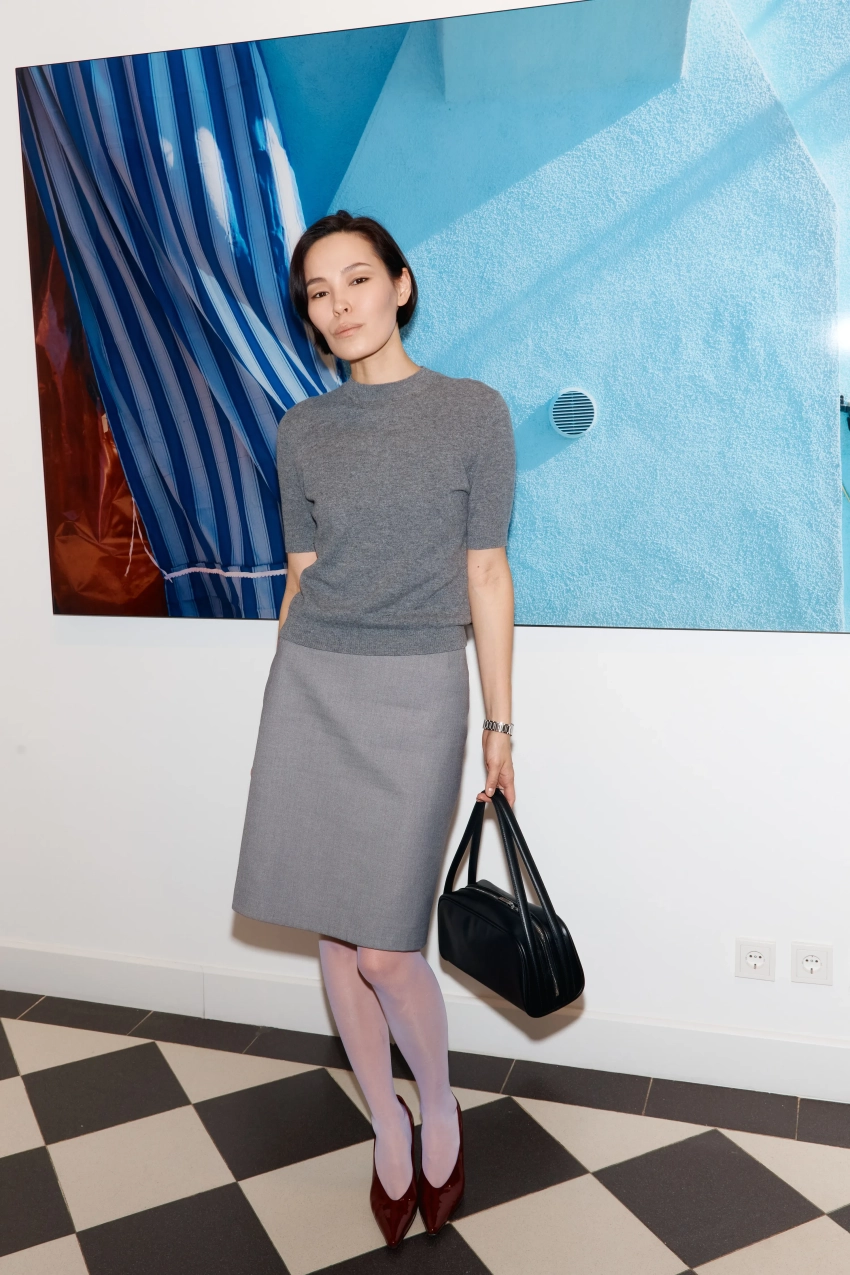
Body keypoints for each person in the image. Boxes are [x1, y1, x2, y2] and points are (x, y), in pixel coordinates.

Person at [231, 210, 516, 1247]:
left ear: (400, 285)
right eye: (319, 291)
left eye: (357, 279)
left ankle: (436, 1102)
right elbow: (300, 576)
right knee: (334, 934)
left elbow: (487, 572)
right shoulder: (301, 431)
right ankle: (384, 1124)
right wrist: (283, 697)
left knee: (388, 949)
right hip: (313, 686)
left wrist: (499, 723)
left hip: (417, 690)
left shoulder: (472, 411)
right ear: (308, 314)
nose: (339, 303)